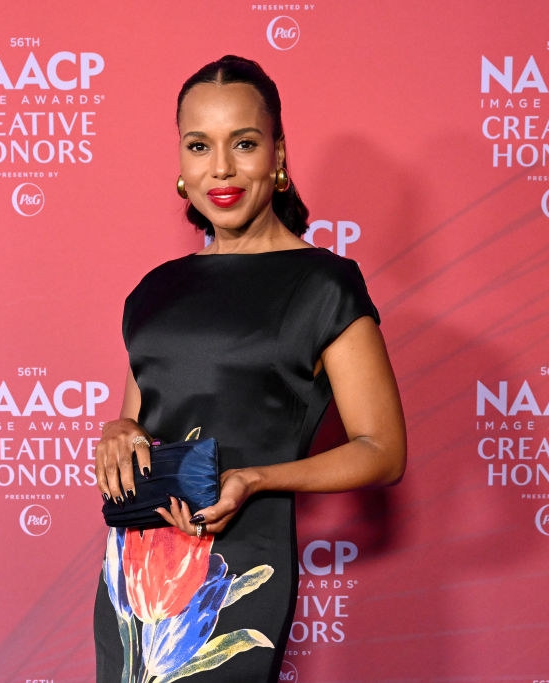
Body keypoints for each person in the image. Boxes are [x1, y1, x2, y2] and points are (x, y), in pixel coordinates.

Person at [93, 55, 407, 682]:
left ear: (278, 155)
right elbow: (139, 419)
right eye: (199, 146)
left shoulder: (323, 284)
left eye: (244, 143)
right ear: (181, 166)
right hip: (135, 570)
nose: (222, 169)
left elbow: (383, 450)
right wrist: (116, 431)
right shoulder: (156, 290)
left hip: (237, 570)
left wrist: (256, 479)